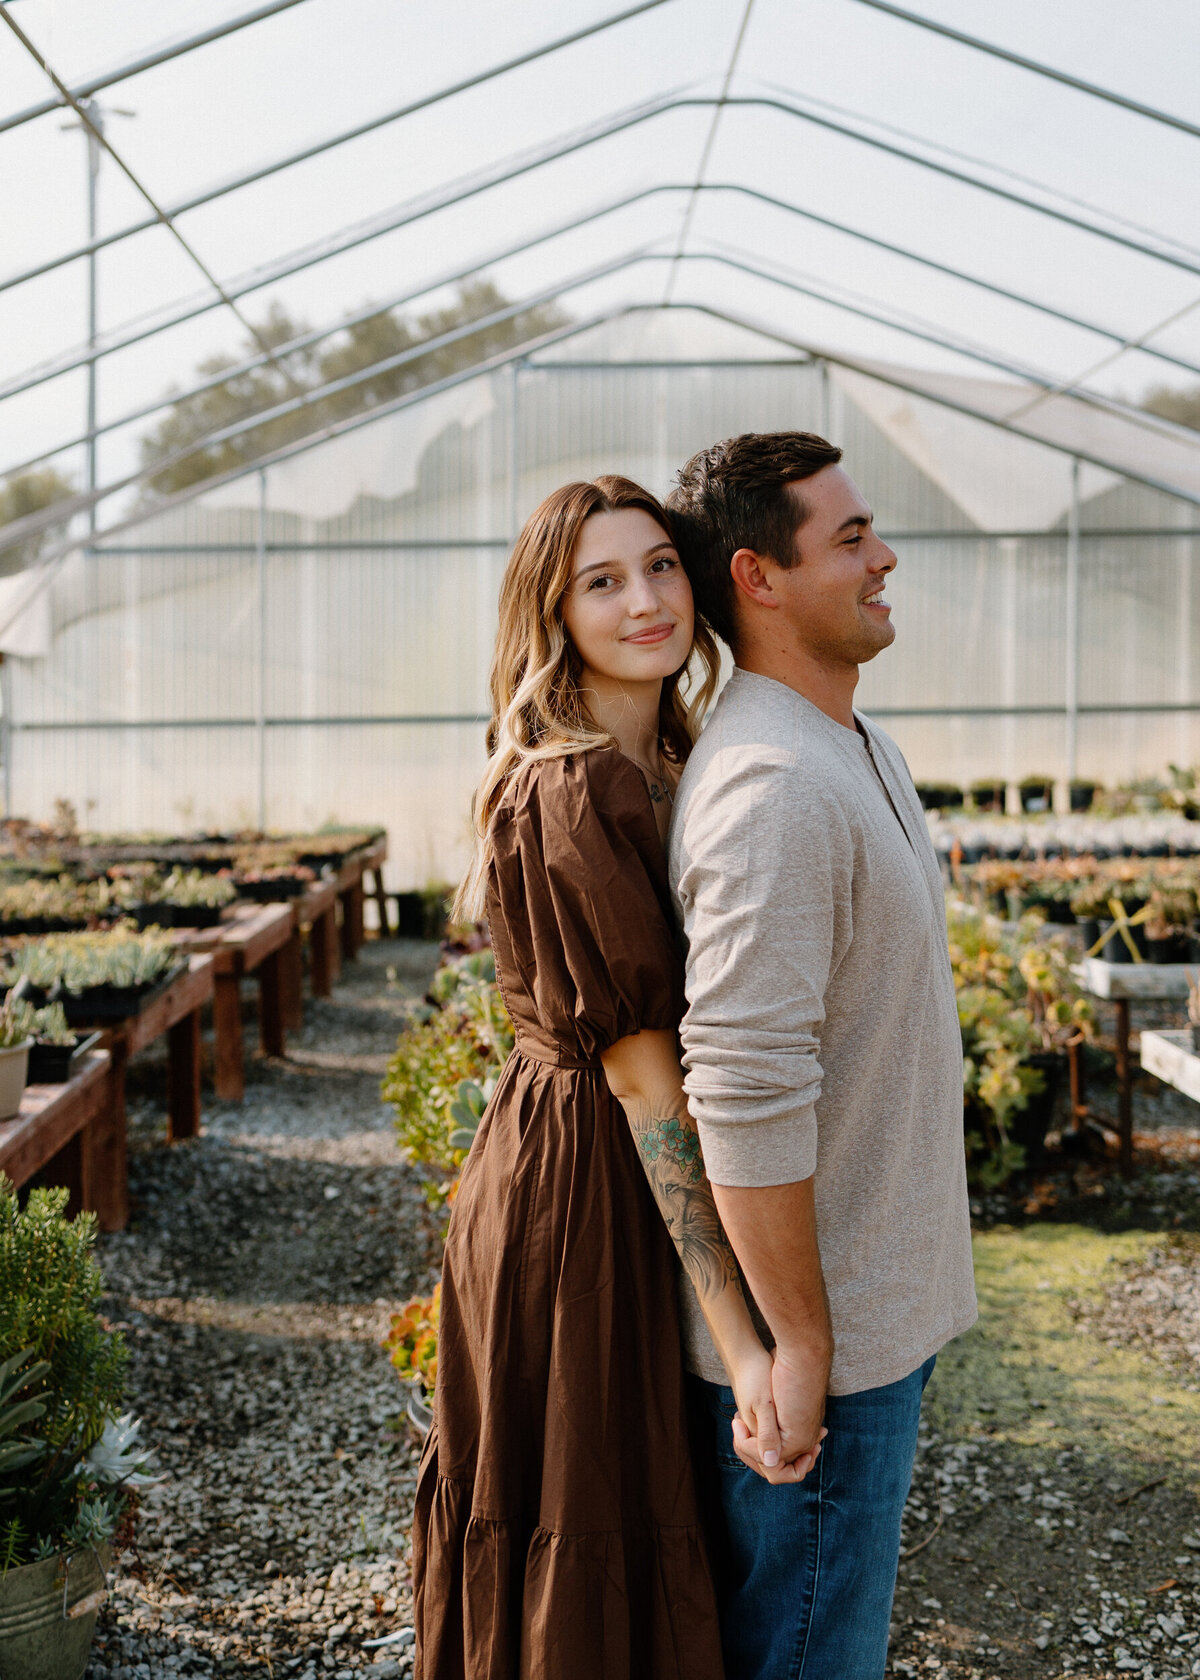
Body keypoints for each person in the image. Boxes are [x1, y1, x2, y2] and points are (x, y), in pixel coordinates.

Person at [412, 475, 814, 1680]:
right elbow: (647, 1084)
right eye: (603, 581)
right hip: (583, 1183)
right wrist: (748, 1345)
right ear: (556, 612)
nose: (645, 600)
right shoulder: (573, 785)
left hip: (589, 1155)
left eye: (660, 567)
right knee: (592, 1497)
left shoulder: (680, 754)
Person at [664, 432, 978, 1680]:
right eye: (850, 538)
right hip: (826, 1361)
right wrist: (795, 1346)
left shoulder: (850, 745)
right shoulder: (773, 791)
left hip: (863, 1328)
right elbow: (739, 1094)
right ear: (759, 576)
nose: (883, 554)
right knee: (806, 1656)